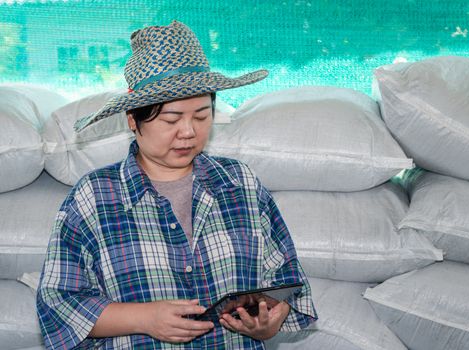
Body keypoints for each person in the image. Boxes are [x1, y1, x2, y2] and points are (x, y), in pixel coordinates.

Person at [36, 20, 317, 349]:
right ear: (133, 120)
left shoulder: (239, 183)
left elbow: (284, 278)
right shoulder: (94, 197)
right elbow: (57, 304)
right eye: (171, 119)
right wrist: (144, 319)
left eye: (201, 115)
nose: (188, 131)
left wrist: (266, 326)